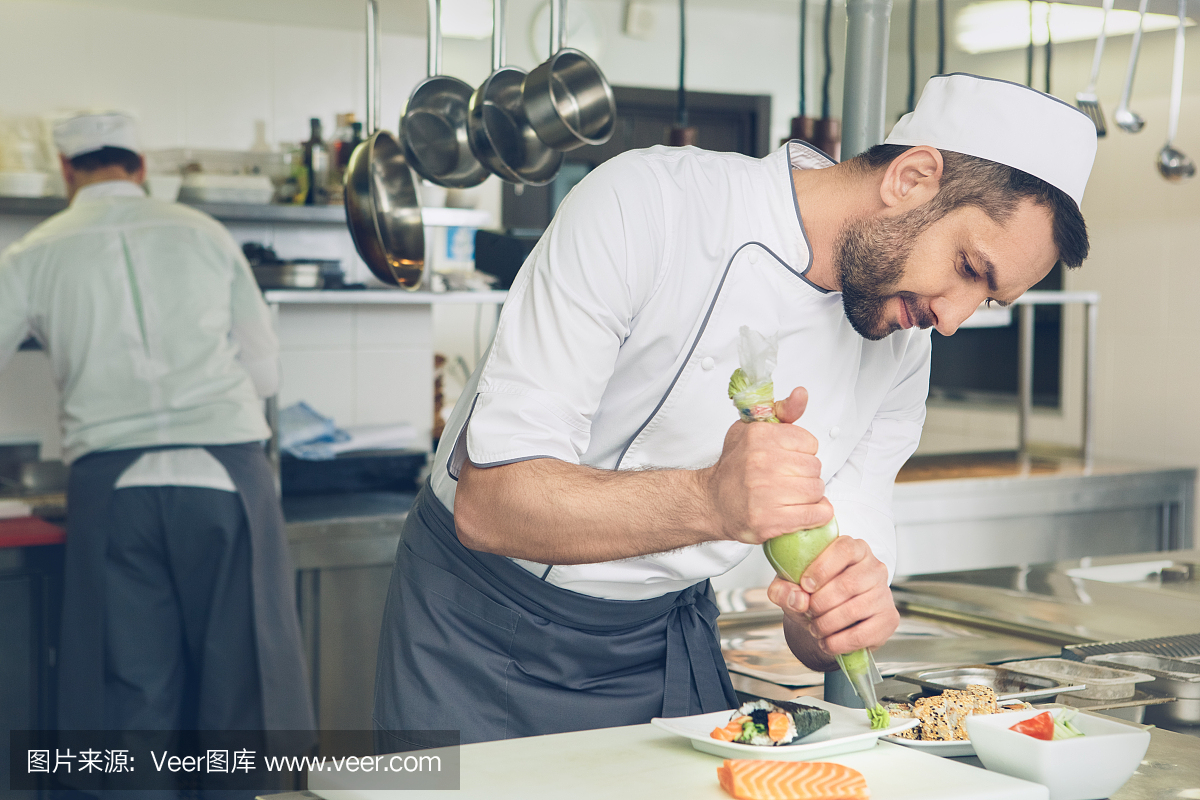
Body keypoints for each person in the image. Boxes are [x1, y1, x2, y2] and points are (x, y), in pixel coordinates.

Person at [373, 74, 1096, 745]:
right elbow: (494, 505)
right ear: (912, 178)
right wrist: (710, 500)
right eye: (970, 269)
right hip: (478, 632)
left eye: (988, 300)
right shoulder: (648, 205)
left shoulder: (900, 346)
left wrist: (840, 615)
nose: (953, 320)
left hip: (662, 645)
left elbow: (821, 602)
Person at [0, 113, 315, 778]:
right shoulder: (205, 233)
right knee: (247, 692)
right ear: (139, 166)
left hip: (114, 490)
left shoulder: (35, 251)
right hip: (227, 479)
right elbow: (264, 375)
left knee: (126, 695)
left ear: (66, 172)